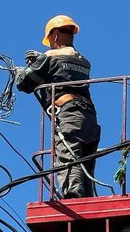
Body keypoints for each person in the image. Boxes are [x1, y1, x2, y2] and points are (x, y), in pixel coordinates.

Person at [15, 14, 101, 198]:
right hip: (89, 118)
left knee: (68, 154)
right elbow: (63, 72)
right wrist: (41, 62)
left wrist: (23, 70)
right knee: (85, 160)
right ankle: (85, 198)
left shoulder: (49, 57)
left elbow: (24, 84)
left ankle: (73, 196)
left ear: (53, 36)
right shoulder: (84, 61)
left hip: (69, 113)